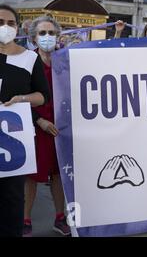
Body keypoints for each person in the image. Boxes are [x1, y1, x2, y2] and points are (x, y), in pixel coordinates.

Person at [0, 4, 50, 237]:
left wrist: (21, 98)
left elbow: (42, 96)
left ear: (17, 28)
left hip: (14, 144)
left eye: (11, 23)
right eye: (1, 22)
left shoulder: (30, 58)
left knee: (11, 200)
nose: (5, 27)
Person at [22, 16, 70, 237]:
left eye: (51, 33)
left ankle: (60, 218)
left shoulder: (66, 62)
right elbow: (17, 98)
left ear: (58, 36)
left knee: (59, 175)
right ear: (33, 38)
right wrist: (39, 120)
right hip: (35, 128)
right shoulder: (26, 63)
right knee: (31, 176)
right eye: (42, 33)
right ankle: (25, 220)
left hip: (61, 129)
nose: (47, 37)